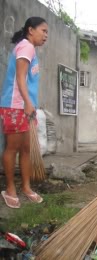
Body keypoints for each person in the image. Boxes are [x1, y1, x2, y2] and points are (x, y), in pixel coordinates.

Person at [0, 17, 48, 208]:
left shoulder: (30, 49)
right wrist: (28, 103)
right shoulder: (26, 46)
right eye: (43, 30)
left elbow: (28, 81)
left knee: (26, 149)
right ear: (31, 29)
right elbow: (20, 77)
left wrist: (31, 104)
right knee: (12, 148)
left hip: (26, 107)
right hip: (15, 106)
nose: (45, 35)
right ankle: (10, 188)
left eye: (47, 32)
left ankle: (26, 187)